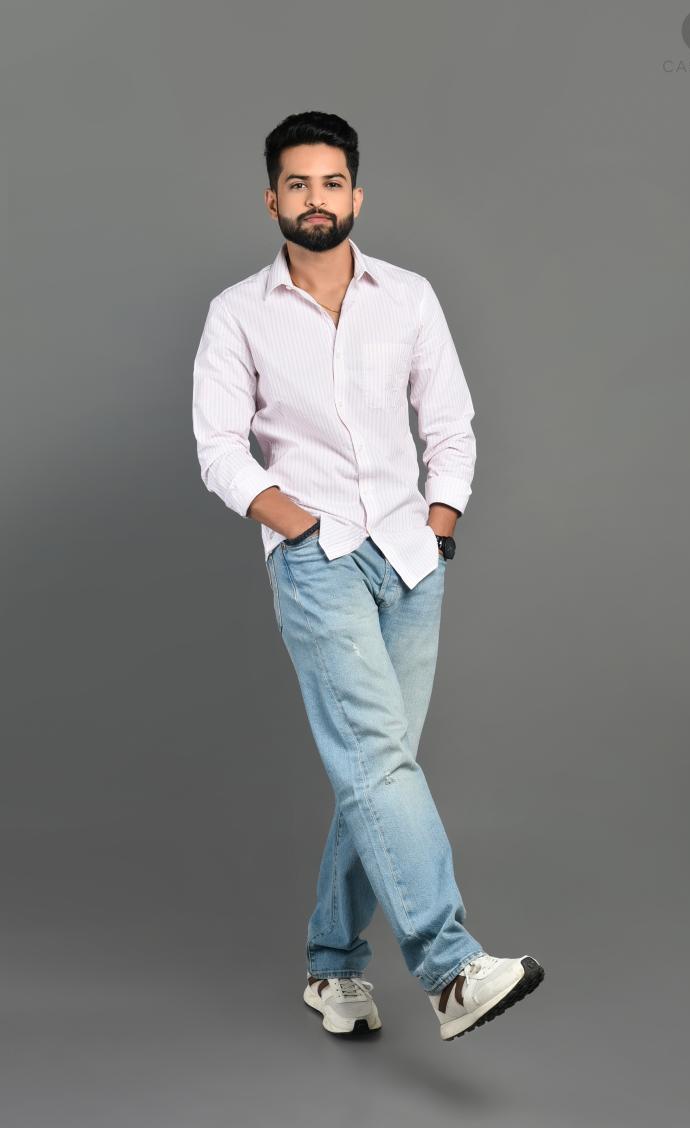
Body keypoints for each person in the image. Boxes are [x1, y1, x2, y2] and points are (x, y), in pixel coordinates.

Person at [192, 110, 544, 1041]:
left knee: (376, 768)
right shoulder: (237, 313)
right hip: (319, 563)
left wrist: (440, 523)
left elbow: (451, 424)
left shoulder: (410, 297)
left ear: (356, 193)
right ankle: (451, 970)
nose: (316, 199)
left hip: (412, 559)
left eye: (332, 182)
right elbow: (219, 449)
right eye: (297, 184)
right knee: (381, 759)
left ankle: (332, 964)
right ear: (272, 198)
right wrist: (299, 529)